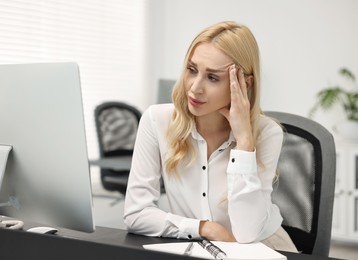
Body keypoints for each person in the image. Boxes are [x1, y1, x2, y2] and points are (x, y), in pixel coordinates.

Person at [123, 21, 298, 252]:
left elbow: (246, 233)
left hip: (263, 247)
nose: (195, 88)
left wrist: (244, 143)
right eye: (192, 70)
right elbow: (136, 213)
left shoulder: (267, 133)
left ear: (244, 84)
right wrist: (204, 228)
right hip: (196, 244)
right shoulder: (157, 120)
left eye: (213, 78)